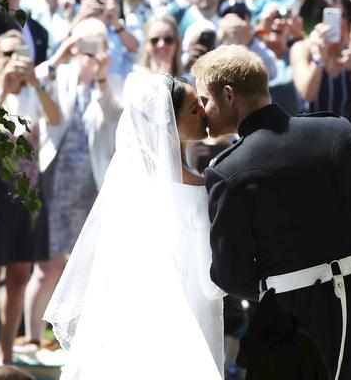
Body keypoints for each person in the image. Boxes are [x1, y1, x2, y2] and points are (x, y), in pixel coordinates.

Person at [191, 45, 351, 380]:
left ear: (228, 94)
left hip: (294, 323)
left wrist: (281, 284)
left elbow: (232, 275)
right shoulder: (338, 132)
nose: (203, 111)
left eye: (205, 100)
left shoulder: (227, 170)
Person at [45, 74, 224, 379]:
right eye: (194, 108)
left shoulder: (128, 187)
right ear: (168, 120)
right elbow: (211, 281)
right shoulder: (200, 187)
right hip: (191, 311)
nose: (204, 112)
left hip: (132, 315)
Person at [19, 18, 122, 350]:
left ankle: (82, 340)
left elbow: (113, 116)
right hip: (54, 180)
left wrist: (102, 76)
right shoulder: (59, 74)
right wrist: (59, 56)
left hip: (92, 184)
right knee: (47, 264)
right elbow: (31, 88)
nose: (89, 56)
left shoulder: (112, 79)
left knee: (89, 266)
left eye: (96, 48)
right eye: (83, 47)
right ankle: (33, 336)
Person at [0, 30, 60, 372]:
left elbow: (56, 119)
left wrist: (34, 82)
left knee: (19, 276)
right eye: (6, 53)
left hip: (25, 195)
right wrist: (3, 88)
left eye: (19, 53)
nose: (13, 60)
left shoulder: (34, 94)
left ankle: (5, 356)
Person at [290, 0, 351, 121]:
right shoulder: (302, 49)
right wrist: (319, 59)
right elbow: (307, 95)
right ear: (320, 20)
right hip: (310, 132)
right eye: (331, 16)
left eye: (342, 16)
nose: (337, 23)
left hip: (344, 134)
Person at [72, 0, 140, 98]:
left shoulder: (121, 26)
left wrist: (115, 22)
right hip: (80, 99)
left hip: (113, 100)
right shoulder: (72, 19)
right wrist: (80, 19)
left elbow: (137, 50)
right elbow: (59, 50)